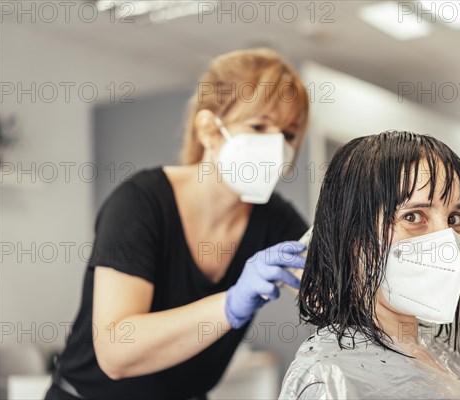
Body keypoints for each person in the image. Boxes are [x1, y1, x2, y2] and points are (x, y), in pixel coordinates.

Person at [45, 48, 310, 400]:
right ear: (209, 129)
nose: (276, 145)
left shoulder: (275, 218)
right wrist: (230, 304)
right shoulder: (140, 202)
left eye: (289, 134)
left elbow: (331, 291)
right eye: (258, 125)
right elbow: (116, 352)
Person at [279, 131, 460, 399]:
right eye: (413, 216)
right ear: (353, 236)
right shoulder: (328, 377)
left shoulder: (440, 356)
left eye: (454, 218)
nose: (446, 243)